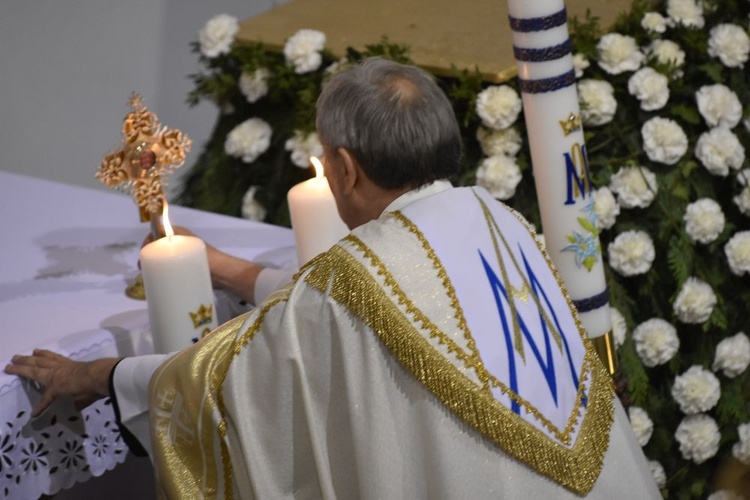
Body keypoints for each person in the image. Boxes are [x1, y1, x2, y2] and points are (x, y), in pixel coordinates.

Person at [5, 58, 660, 499]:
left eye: (323, 154)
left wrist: (99, 375)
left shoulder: (352, 280)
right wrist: (229, 267)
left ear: (345, 169)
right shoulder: (498, 220)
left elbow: (230, 380)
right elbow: (335, 312)